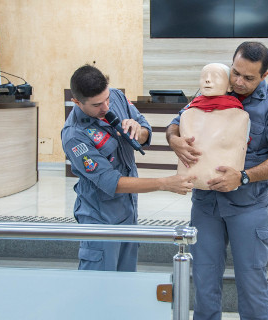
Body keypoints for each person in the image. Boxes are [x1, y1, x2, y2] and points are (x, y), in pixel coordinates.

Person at [166, 42, 268, 320]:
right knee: (204, 281)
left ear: (265, 75)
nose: (238, 82)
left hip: (247, 206)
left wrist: (243, 176)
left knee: (251, 284)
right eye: (235, 72)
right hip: (206, 205)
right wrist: (173, 139)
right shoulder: (213, 89)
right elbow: (177, 121)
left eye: (248, 78)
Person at [61, 64, 195, 272]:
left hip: (128, 212)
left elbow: (145, 130)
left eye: (106, 99)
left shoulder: (115, 96)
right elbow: (111, 182)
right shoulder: (74, 135)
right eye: (97, 104)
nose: (106, 107)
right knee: (99, 289)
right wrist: (164, 183)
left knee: (126, 282)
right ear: (77, 102)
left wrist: (138, 131)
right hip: (100, 218)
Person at [177, 63, 250, 190]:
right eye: (204, 76)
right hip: (191, 182)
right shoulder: (186, 114)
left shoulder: (240, 116)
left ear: (229, 86)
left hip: (225, 183)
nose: (207, 79)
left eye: (215, 76)